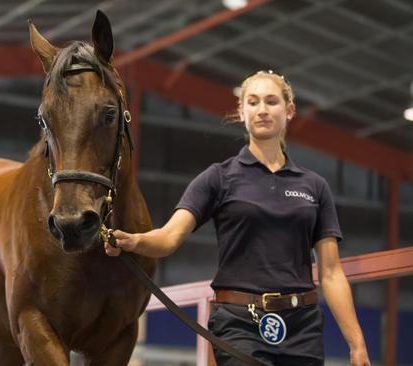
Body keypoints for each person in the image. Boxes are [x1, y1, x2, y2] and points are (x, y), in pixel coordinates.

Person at [105, 70, 370, 366]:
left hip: (302, 326)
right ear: (241, 111)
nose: (262, 110)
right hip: (239, 323)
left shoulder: (314, 186)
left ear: (290, 110)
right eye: (253, 102)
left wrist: (357, 344)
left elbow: (331, 273)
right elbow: (169, 237)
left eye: (272, 102)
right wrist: (134, 240)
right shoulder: (218, 178)